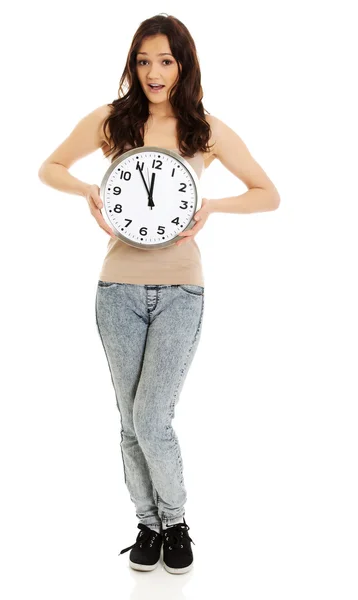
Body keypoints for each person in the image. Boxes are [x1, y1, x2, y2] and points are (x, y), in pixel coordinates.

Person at [38, 14, 280, 575]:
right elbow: (49, 167)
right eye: (144, 60)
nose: (153, 71)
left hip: (181, 290)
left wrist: (213, 206)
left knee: (152, 416)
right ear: (132, 63)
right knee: (129, 418)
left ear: (184, 64)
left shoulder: (204, 129)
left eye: (165, 60)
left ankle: (176, 521)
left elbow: (268, 193)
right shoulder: (112, 122)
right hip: (117, 288)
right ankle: (147, 526)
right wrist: (87, 191)